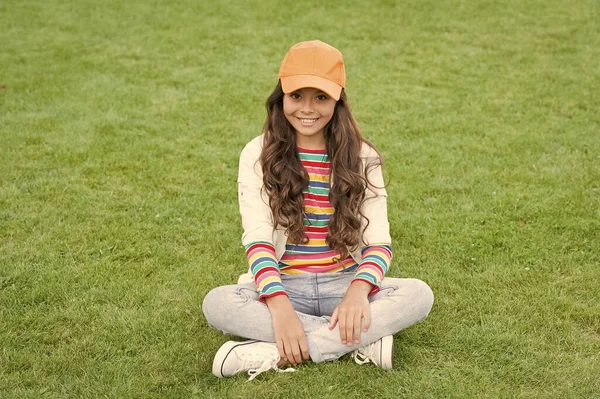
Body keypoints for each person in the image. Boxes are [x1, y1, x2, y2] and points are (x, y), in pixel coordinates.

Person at [202, 40, 434, 380]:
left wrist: (357, 294)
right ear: (281, 97)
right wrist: (280, 308)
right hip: (286, 285)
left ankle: (275, 349)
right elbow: (258, 240)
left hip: (344, 283)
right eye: (297, 96)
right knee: (217, 303)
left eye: (320, 97)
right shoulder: (257, 154)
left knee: (418, 294)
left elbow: (379, 245)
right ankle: (355, 342)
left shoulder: (363, 157)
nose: (307, 108)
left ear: (338, 99)